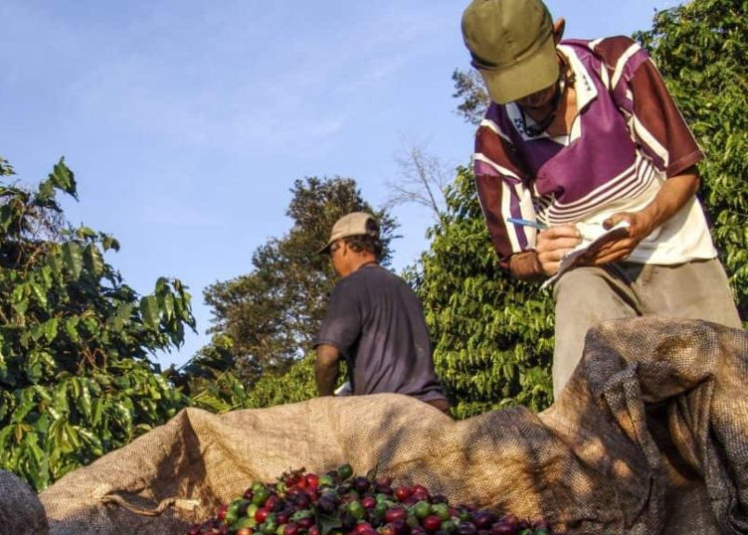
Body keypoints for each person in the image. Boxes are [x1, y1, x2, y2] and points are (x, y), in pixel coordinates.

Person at [460, 0, 742, 398]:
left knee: (730, 393)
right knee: (587, 382)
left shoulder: (616, 64)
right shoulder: (495, 140)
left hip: (674, 247)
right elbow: (515, 258)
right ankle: (586, 447)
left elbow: (684, 173)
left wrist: (643, 221)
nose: (530, 96)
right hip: (589, 271)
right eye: (513, 84)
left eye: (534, 77)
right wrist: (539, 259)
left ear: (556, 34)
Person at [313, 211, 450, 413]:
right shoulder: (404, 287)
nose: (333, 262)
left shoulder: (350, 286)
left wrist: (324, 406)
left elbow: (327, 358)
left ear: (342, 247)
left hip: (390, 417)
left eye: (332, 254)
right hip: (435, 409)